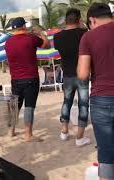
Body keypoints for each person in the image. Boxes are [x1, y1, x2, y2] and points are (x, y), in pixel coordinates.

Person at [77, 3, 114, 179]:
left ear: (92, 20)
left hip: (102, 98)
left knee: (106, 150)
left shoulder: (88, 37)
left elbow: (83, 74)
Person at [5, 17, 50, 142]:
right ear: (24, 26)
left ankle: (11, 131)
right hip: (30, 77)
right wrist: (42, 34)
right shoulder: (31, 38)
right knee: (29, 106)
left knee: (15, 106)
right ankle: (28, 134)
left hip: (15, 79)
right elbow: (47, 45)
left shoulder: (8, 42)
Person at [54, 8, 91, 147]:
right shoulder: (84, 34)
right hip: (83, 73)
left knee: (67, 102)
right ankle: (80, 137)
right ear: (79, 19)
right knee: (83, 104)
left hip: (68, 75)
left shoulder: (57, 37)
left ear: (65, 20)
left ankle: (64, 131)